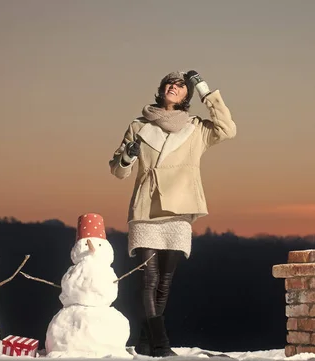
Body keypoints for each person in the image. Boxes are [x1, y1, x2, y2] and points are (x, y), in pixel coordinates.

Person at [109, 70, 236, 357]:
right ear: (161, 89)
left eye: (181, 86)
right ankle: (161, 344)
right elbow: (118, 171)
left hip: (180, 208)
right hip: (146, 207)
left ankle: (145, 343)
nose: (174, 87)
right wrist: (128, 155)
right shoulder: (138, 126)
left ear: (187, 96)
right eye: (170, 83)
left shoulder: (196, 127)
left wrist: (205, 89)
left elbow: (228, 129)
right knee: (149, 279)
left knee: (165, 281)